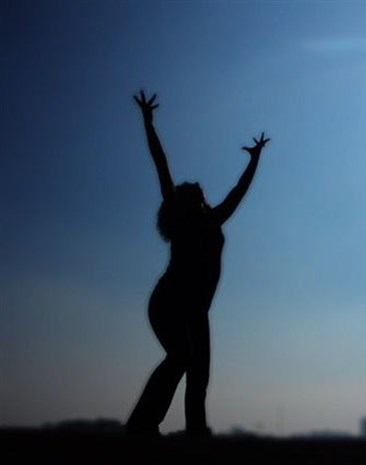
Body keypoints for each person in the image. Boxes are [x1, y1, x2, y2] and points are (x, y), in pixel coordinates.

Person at [126, 91, 269, 437]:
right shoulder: (182, 219)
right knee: (181, 357)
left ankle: (195, 432)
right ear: (184, 201)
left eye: (197, 190)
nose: (197, 190)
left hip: (196, 309)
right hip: (169, 301)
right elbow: (161, 163)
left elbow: (238, 191)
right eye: (191, 191)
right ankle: (142, 425)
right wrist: (148, 122)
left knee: (198, 373)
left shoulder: (214, 219)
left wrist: (254, 159)